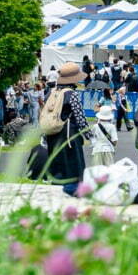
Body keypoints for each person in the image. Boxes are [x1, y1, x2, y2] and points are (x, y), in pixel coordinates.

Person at [43, 63, 90, 191]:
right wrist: (89, 134)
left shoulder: (51, 93)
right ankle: (72, 191)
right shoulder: (72, 94)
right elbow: (80, 117)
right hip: (69, 134)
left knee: (57, 164)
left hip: (53, 134)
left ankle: (55, 187)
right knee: (73, 166)